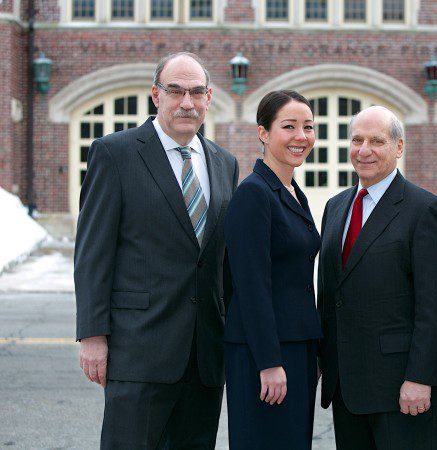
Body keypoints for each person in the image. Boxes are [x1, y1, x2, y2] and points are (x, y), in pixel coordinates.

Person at [74, 52, 239, 449]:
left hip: (204, 357)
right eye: (176, 91)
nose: (187, 102)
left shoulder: (224, 163)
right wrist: (93, 335)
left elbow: (222, 262)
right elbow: (93, 252)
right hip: (139, 350)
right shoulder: (115, 153)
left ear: (209, 97)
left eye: (197, 92)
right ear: (155, 94)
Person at [318, 106, 437, 450]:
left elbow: (434, 306)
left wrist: (420, 378)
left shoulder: (425, 210)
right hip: (347, 387)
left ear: (399, 147)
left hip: (402, 388)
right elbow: (332, 292)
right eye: (357, 140)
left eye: (377, 141)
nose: (364, 150)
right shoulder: (336, 207)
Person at [223, 90, 322, 450]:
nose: (302, 136)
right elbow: (251, 285)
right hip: (264, 354)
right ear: (263, 133)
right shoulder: (254, 193)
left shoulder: (292, 190)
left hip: (296, 348)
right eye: (289, 126)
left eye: (308, 127)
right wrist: (268, 362)